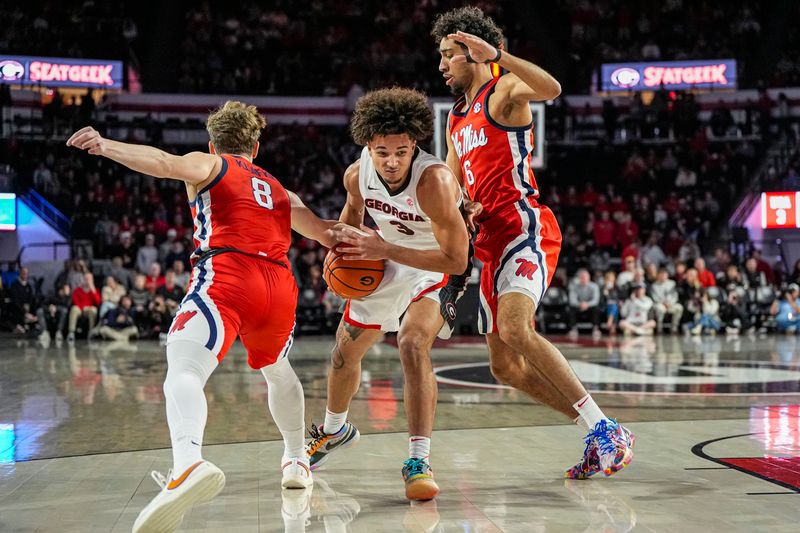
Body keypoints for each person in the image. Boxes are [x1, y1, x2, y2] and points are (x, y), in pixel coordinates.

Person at [67, 100, 344, 531]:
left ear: (214, 144)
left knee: (183, 364)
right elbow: (328, 233)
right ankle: (295, 461)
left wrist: (105, 145)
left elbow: (161, 162)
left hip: (230, 274)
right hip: (278, 286)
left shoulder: (211, 164)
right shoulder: (279, 189)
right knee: (277, 369)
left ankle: (188, 464)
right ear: (256, 145)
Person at [434, 6, 633, 481]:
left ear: (473, 53)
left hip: (525, 229)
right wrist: (462, 208)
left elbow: (552, 89)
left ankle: (604, 427)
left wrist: (499, 56)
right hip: (487, 243)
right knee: (506, 368)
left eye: (448, 55)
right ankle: (594, 429)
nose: (441, 65)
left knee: (517, 330)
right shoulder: (455, 120)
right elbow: (455, 185)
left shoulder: (504, 91)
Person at [305, 87, 470, 501]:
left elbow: (457, 260)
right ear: (368, 147)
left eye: (400, 151)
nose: (392, 161)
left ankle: (418, 459)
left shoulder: (435, 181)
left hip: (434, 263)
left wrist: (383, 248)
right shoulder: (355, 174)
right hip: (388, 259)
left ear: (414, 144)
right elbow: (353, 218)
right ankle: (333, 430)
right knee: (343, 353)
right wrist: (342, 252)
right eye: (382, 152)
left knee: (412, 342)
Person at [567, 269, 601, 338]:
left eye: (585, 277)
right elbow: (572, 300)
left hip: (590, 306)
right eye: (582, 277)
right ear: (579, 278)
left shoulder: (594, 286)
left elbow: (595, 300)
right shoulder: (574, 287)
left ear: (589, 278)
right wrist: (580, 304)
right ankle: (573, 329)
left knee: (596, 308)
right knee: (571, 308)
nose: (583, 279)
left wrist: (587, 304)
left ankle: (596, 329)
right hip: (579, 306)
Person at [67, 272, 101, 342]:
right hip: (80, 308)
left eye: (89, 279)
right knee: (74, 309)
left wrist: (92, 289)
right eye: (85, 279)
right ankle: (71, 332)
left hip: (89, 309)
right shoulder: (77, 290)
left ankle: (91, 332)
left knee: (93, 310)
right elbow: (75, 301)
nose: (87, 280)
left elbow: (98, 302)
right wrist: (82, 308)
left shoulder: (95, 290)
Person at [650, 268, 683, 333]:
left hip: (671, 304)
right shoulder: (654, 285)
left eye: (664, 274)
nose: (663, 276)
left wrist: (671, 303)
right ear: (658, 275)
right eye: (661, 275)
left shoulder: (672, 283)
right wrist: (663, 303)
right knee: (660, 309)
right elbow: (655, 297)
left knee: (679, 308)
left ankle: (674, 328)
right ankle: (660, 328)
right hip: (660, 304)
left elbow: (675, 296)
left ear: (667, 275)